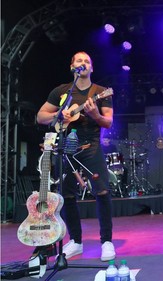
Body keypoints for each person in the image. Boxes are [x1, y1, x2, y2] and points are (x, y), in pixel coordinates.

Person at [37, 51, 116, 261]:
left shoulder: (101, 92)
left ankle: (106, 241)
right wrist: (58, 115)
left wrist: (95, 114)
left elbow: (108, 122)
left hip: (91, 146)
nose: (83, 63)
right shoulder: (62, 92)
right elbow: (41, 116)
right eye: (79, 60)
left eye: (87, 61)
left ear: (91, 68)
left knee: (102, 192)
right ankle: (76, 241)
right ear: (72, 66)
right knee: (67, 195)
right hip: (66, 148)